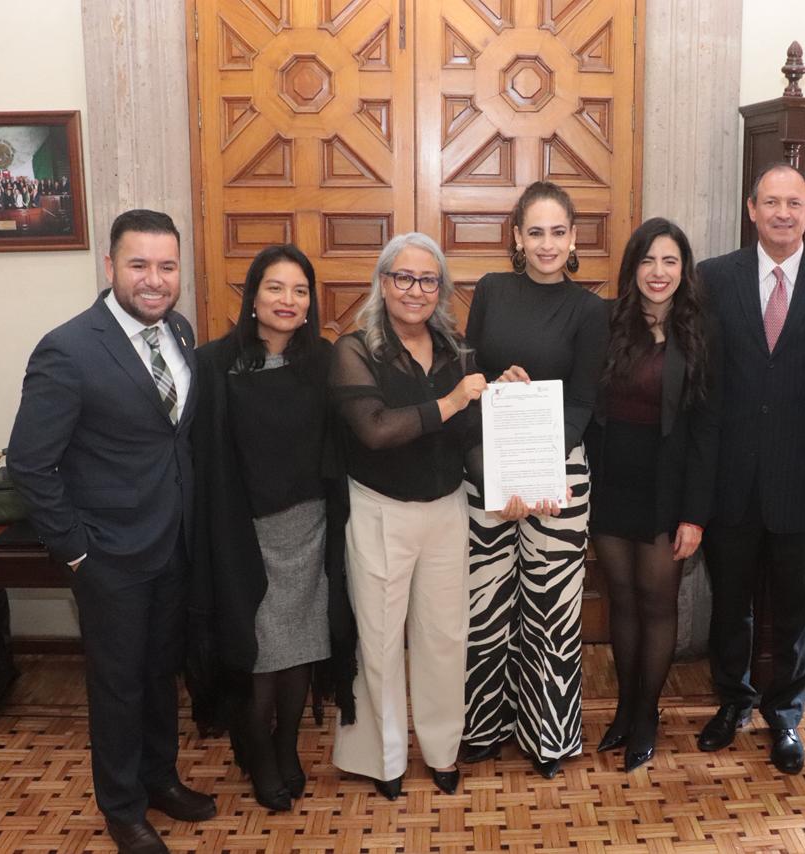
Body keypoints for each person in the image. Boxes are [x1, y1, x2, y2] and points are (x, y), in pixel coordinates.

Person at [8, 209, 212, 854]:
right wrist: (74, 552)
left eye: (167, 266)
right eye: (139, 265)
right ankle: (122, 808)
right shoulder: (68, 348)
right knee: (118, 685)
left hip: (172, 544)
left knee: (159, 675)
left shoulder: (177, 331)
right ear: (110, 267)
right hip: (108, 556)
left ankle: (160, 781)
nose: (154, 279)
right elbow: (30, 462)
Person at [695, 163, 805, 773]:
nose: (782, 214)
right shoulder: (714, 278)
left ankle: (786, 716)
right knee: (730, 605)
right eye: (771, 202)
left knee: (796, 610)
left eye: (794, 203)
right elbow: (703, 375)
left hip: (804, 476)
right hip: (731, 480)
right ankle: (732, 701)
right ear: (751, 208)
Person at [187, 244, 356, 813]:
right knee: (258, 654)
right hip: (244, 536)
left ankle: (288, 749)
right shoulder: (214, 363)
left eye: (300, 290)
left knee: (303, 647)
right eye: (275, 288)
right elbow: (203, 456)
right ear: (253, 297)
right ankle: (259, 755)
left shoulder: (324, 361)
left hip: (310, 529)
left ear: (310, 304)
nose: (288, 300)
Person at [460, 180, 609, 779]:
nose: (546, 244)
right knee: (487, 605)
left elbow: (583, 405)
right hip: (486, 468)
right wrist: (497, 393)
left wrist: (534, 469)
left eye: (558, 232)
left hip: (558, 475)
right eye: (535, 232)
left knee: (551, 610)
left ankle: (549, 736)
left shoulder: (592, 309)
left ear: (573, 238)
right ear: (517, 239)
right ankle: (484, 727)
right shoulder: (491, 292)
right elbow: (470, 374)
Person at [330, 232, 484, 800]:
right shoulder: (355, 349)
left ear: (440, 289)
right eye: (402, 277)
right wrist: (452, 401)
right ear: (383, 282)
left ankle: (443, 751)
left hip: (447, 510)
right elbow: (374, 430)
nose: (415, 290)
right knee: (379, 639)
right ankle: (385, 757)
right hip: (379, 511)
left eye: (427, 280)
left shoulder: (456, 349)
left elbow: (469, 436)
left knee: (445, 638)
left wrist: (507, 479)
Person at [586, 217, 720, 772]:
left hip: (668, 489)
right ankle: (622, 709)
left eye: (669, 261)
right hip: (611, 483)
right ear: (632, 267)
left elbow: (708, 430)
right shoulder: (606, 322)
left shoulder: (702, 331)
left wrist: (695, 512)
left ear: (683, 269)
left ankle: (647, 715)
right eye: (648, 260)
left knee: (658, 605)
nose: (658, 272)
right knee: (621, 600)